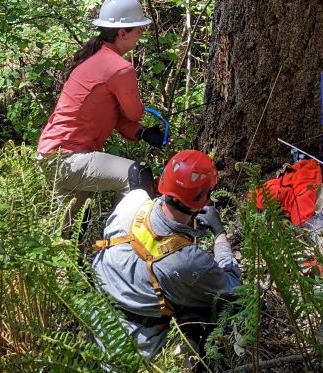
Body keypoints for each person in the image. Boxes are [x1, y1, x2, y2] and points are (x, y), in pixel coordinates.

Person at [92, 150, 241, 365]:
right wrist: (219, 235)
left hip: (92, 324)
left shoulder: (132, 202)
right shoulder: (188, 261)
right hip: (132, 352)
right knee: (207, 321)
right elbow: (233, 288)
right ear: (203, 199)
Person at [38, 0, 167, 213]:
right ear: (122, 32)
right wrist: (139, 123)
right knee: (137, 173)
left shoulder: (95, 58)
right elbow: (134, 113)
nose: (141, 32)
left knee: (67, 233)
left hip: (53, 156)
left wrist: (142, 133)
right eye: (137, 27)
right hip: (69, 159)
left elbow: (115, 116)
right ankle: (125, 241)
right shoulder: (119, 68)